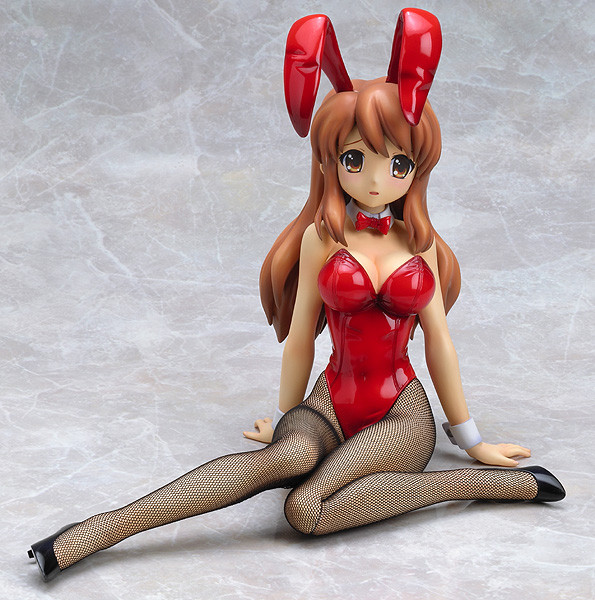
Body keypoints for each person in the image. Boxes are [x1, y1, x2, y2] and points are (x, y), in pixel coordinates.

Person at [28, 9, 564, 582]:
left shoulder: (420, 245)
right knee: (287, 458)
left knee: (306, 509)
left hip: (401, 415)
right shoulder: (320, 240)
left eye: (397, 163)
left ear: (417, 167)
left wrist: (472, 439)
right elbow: (303, 332)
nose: (376, 180)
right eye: (355, 159)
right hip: (329, 400)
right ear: (332, 162)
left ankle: (485, 484)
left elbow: (440, 346)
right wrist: (286, 415)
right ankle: (89, 533)